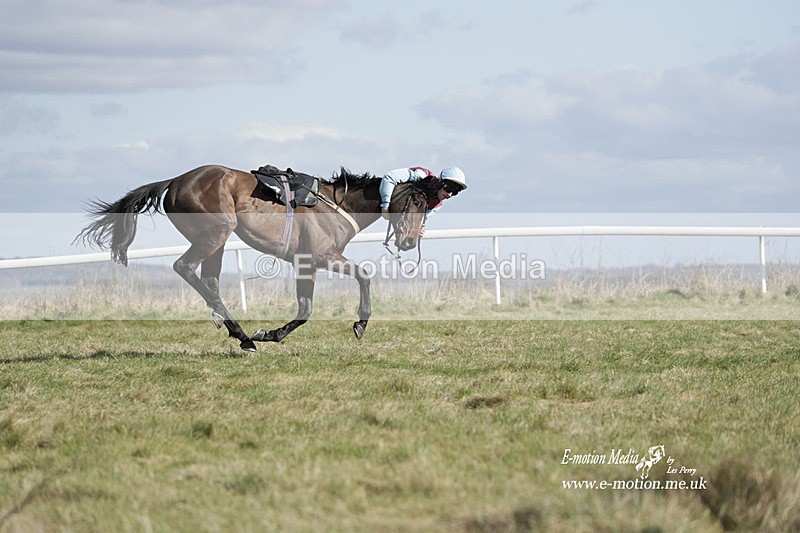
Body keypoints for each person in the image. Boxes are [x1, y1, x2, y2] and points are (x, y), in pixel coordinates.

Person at [379, 166, 467, 235]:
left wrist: (418, 228)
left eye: (455, 192)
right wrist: (385, 205)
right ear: (440, 182)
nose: (449, 195)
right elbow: (389, 177)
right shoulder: (421, 175)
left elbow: (414, 220)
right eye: (448, 188)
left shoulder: (436, 206)